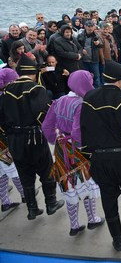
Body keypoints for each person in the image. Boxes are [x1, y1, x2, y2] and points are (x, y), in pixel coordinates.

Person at [80, 60, 121, 251]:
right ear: (120, 81)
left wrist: (89, 153)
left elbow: (84, 128)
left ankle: (117, 239)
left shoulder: (89, 96)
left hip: (99, 157)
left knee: (108, 198)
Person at [0, 55, 65, 220]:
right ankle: (51, 203)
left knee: (25, 174)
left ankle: (32, 209)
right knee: (46, 170)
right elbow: (42, 115)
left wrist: (10, 134)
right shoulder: (36, 89)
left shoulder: (6, 90)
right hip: (34, 136)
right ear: (34, 73)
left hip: (14, 138)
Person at [42, 70, 104, 236]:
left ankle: (74, 225)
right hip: (77, 149)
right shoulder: (82, 104)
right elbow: (77, 133)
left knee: (69, 184)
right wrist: (85, 148)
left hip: (61, 148)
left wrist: (55, 140)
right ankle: (92, 219)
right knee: (86, 183)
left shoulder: (60, 100)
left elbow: (46, 126)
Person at [0, 69, 25, 213]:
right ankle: (26, 195)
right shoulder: (4, 98)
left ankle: (5, 201)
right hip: (2, 141)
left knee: (2, 172)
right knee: (12, 169)